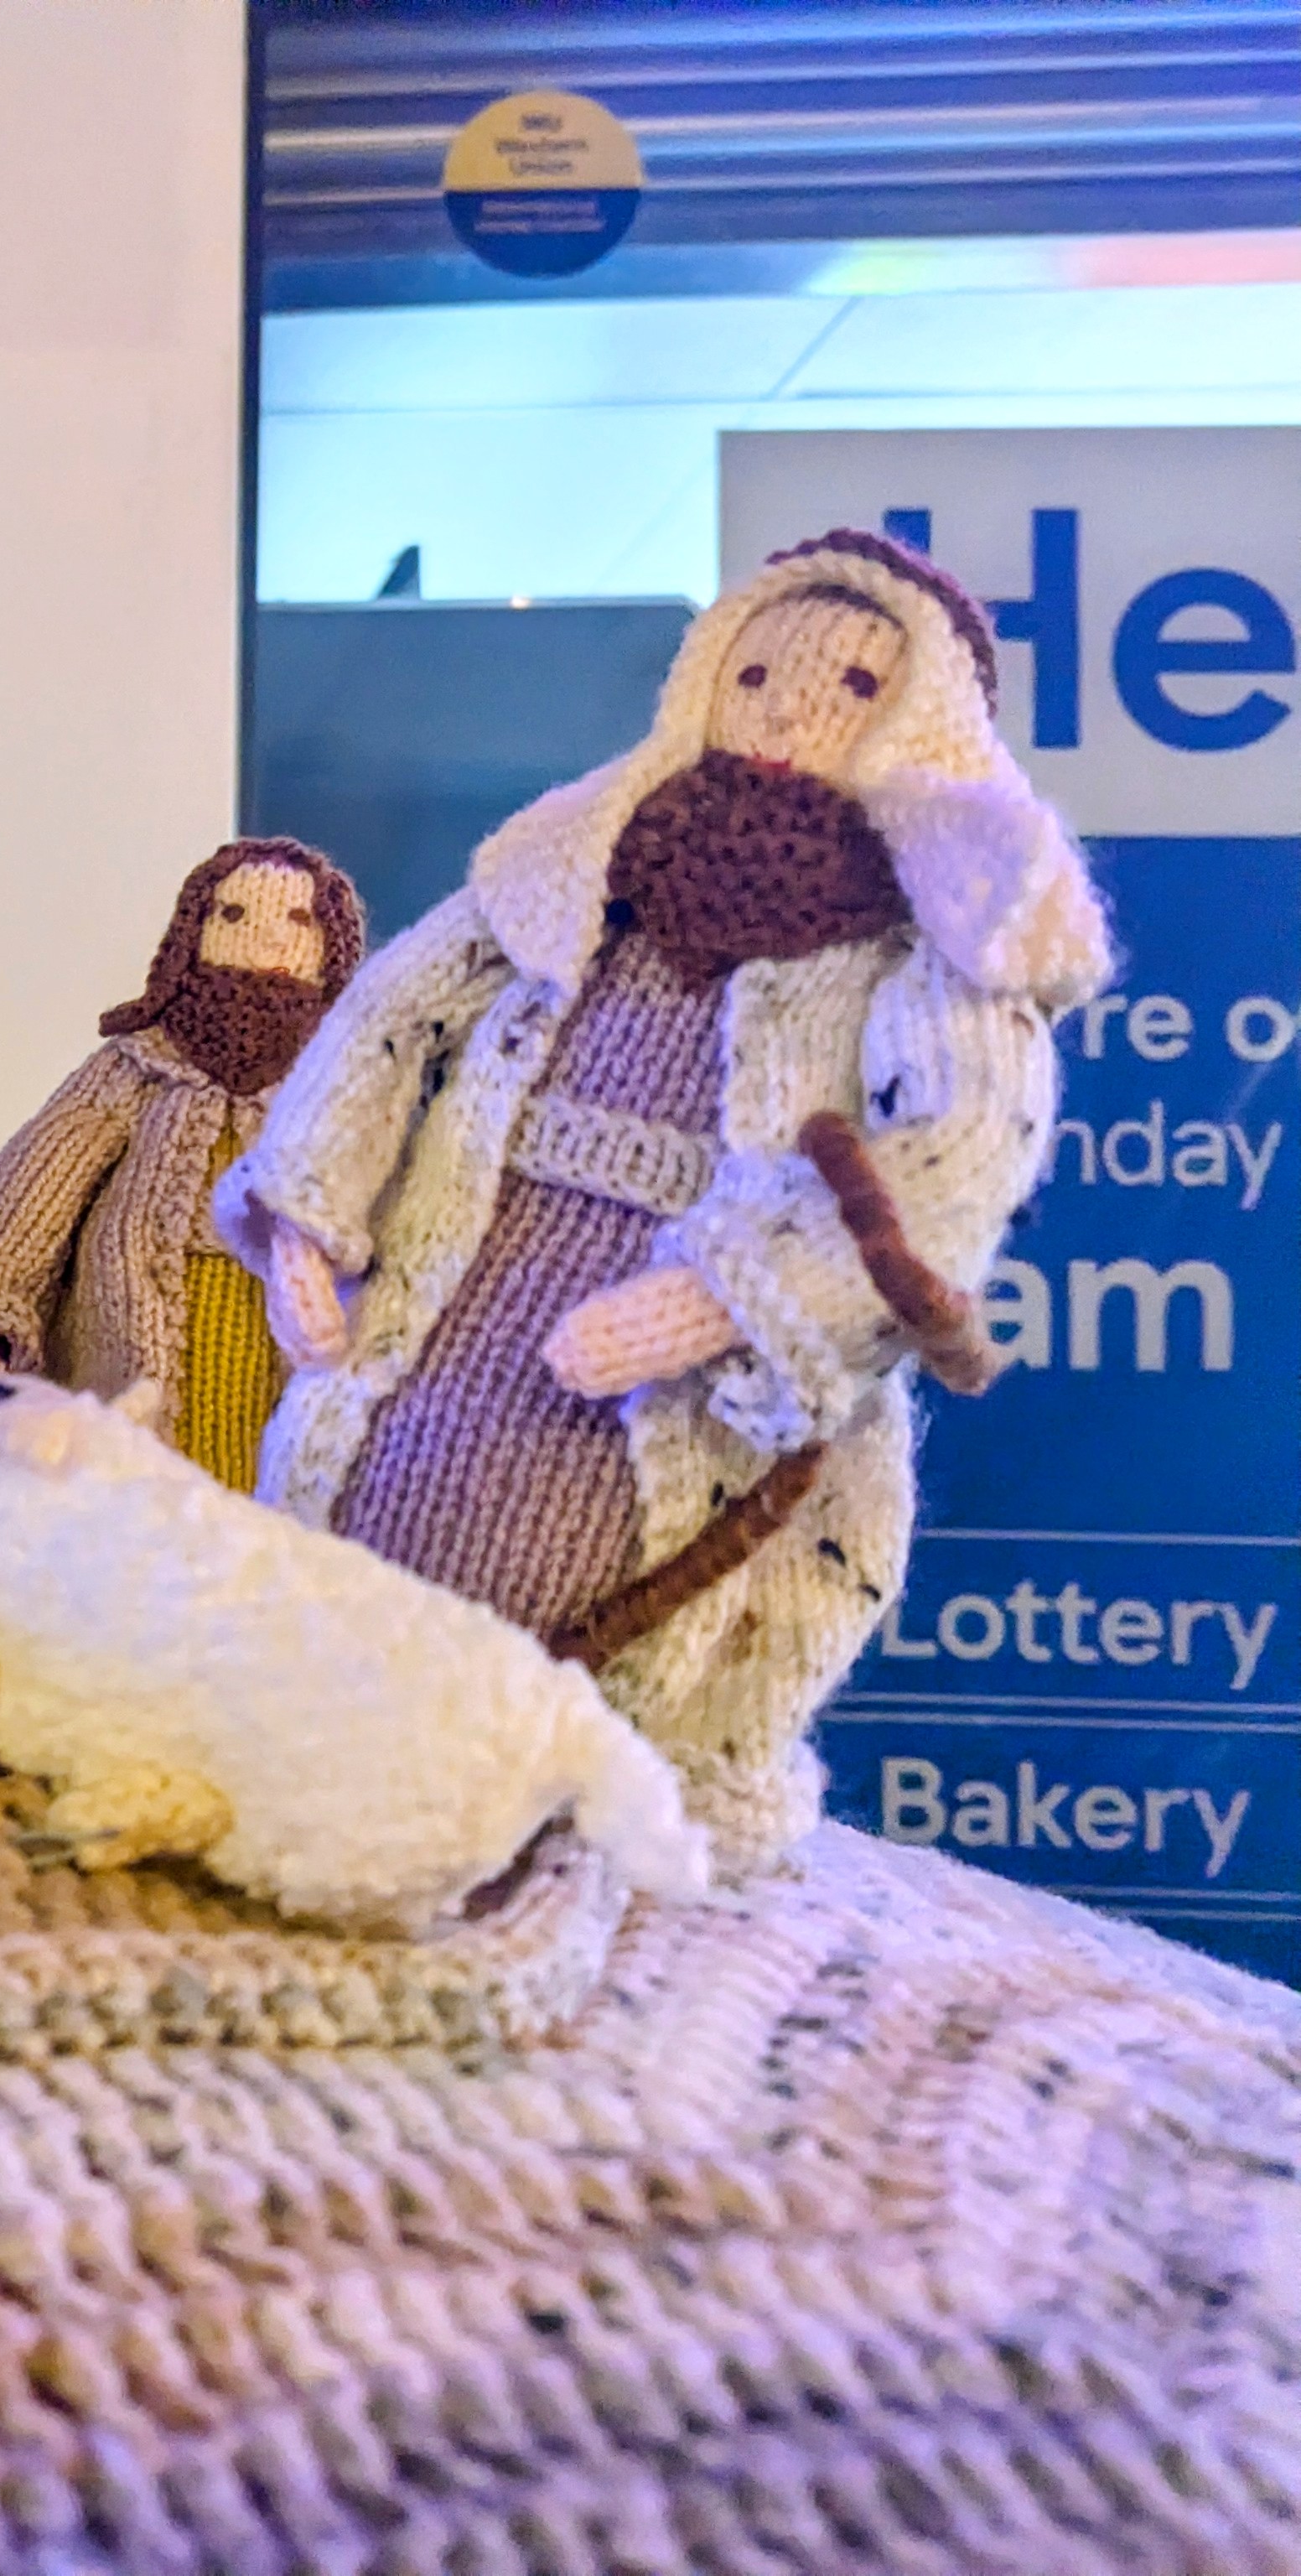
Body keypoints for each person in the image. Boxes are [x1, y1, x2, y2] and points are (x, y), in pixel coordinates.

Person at [220, 528, 1107, 1877]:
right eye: (755, 674)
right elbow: (391, 1017)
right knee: (361, 1506)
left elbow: (964, 1142)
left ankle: (659, 1777)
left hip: (700, 1362)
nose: (787, 711)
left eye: (850, 688)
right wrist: (308, 1211)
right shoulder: (578, 869)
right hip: (468, 1280)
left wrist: (734, 1297)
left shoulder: (922, 944)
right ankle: (326, 1723)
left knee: (685, 1594)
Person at [0, 839, 364, 1491]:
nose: (268, 937)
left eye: (298, 920)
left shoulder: (346, 1082)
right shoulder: (135, 1069)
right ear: (192, 936)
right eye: (234, 914)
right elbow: (43, 1172)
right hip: (128, 1370)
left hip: (295, 1375)